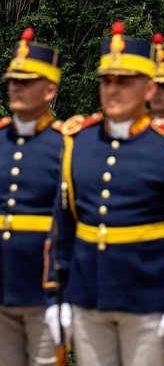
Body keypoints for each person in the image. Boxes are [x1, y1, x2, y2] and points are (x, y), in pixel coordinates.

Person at [46, 21, 164, 366]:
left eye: (124, 81)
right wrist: (55, 293)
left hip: (150, 299)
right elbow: (63, 226)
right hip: (89, 297)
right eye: (107, 81)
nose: (113, 90)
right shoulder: (79, 141)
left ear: (149, 88)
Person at [0, 27, 64, 366]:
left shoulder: (66, 144)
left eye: (26, 82)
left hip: (43, 287)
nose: (16, 87)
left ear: (49, 90)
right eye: (14, 80)